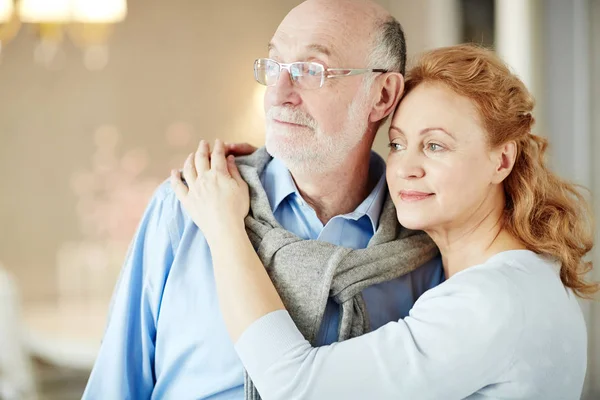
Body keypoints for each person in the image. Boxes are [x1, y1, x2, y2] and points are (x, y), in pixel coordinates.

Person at [171, 43, 598, 399]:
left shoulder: (490, 301)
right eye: (397, 143)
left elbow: (294, 386)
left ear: (502, 159)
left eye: (435, 146)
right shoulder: (528, 275)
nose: (405, 167)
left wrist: (224, 227)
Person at [82, 0, 443, 398]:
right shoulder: (185, 205)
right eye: (274, 66)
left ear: (382, 95)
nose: (278, 95)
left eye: (309, 71)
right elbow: (113, 387)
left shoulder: (425, 245)